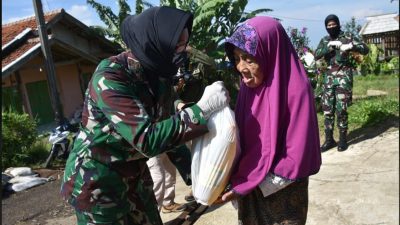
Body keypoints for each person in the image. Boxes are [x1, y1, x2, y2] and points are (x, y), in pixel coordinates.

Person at [60, 6, 229, 225]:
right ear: (154, 43)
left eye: (183, 44)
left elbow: (169, 131)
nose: (182, 51)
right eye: (176, 45)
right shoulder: (111, 76)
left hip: (136, 180)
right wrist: (200, 110)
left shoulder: (159, 77)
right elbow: (147, 139)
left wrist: (197, 177)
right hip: (97, 185)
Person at [218, 16, 322, 225]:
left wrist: (253, 183)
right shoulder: (249, 90)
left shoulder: (296, 91)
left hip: (282, 192)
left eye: (249, 58)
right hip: (248, 185)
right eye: (237, 58)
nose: (241, 67)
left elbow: (297, 155)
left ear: (270, 53)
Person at [315, 14, 369, 152]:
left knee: (341, 110)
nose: (331, 27)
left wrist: (350, 46)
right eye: (329, 25)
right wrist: (330, 47)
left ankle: (343, 139)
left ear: (338, 24)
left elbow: (365, 49)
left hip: (344, 78)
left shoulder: (348, 37)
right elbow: (317, 54)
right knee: (328, 110)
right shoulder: (325, 39)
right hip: (328, 80)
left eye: (334, 24)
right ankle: (329, 140)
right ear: (326, 27)